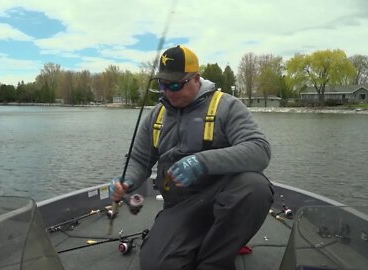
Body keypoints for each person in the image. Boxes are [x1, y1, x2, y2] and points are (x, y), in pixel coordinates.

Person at [110, 45, 274, 270]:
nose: (169, 91)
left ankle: (214, 262)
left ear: (196, 78)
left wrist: (202, 162)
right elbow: (139, 160)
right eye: (163, 84)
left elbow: (260, 150)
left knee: (255, 187)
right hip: (180, 207)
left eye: (176, 84)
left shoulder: (227, 106)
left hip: (222, 198)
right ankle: (192, 241)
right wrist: (125, 181)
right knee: (155, 265)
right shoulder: (156, 116)